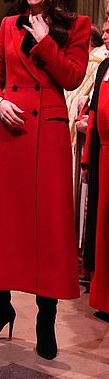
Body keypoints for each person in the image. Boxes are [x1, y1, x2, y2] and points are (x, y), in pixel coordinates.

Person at [0, 0, 89, 360]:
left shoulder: (77, 25)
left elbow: (73, 76)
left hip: (48, 134)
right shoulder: (7, 24)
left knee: (48, 228)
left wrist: (43, 42)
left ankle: (45, 320)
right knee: (2, 223)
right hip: (12, 132)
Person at [80, 19, 109, 323]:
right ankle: (104, 299)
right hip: (102, 155)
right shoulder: (103, 68)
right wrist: (87, 159)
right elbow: (93, 109)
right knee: (102, 229)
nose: (105, 34)